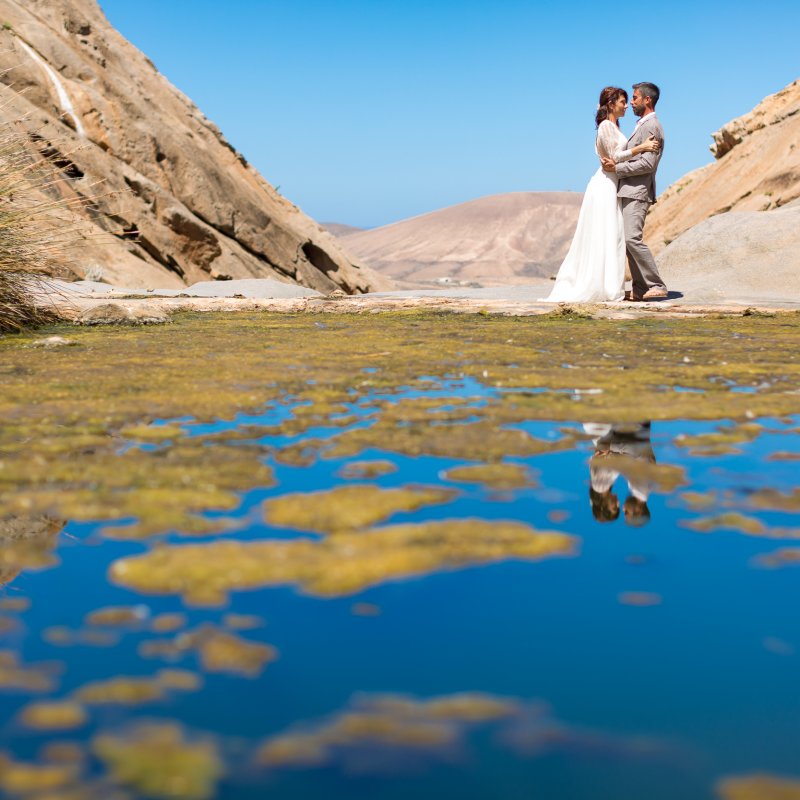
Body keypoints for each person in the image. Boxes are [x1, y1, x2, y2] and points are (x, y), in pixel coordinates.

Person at [542, 86, 661, 303]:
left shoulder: (619, 126)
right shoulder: (606, 125)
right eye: (624, 101)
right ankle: (607, 285)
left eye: (630, 100)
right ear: (611, 103)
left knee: (613, 236)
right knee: (607, 235)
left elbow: (621, 161)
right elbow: (615, 156)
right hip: (606, 185)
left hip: (615, 184)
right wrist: (639, 148)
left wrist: (620, 164)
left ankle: (616, 285)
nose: (627, 104)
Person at [601, 82, 668, 301]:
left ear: (647, 100)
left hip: (637, 190)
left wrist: (617, 169)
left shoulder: (652, 126)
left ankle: (656, 283)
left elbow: (648, 164)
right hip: (628, 190)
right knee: (628, 243)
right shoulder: (642, 125)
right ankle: (640, 288)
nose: (631, 102)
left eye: (635, 98)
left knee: (632, 239)